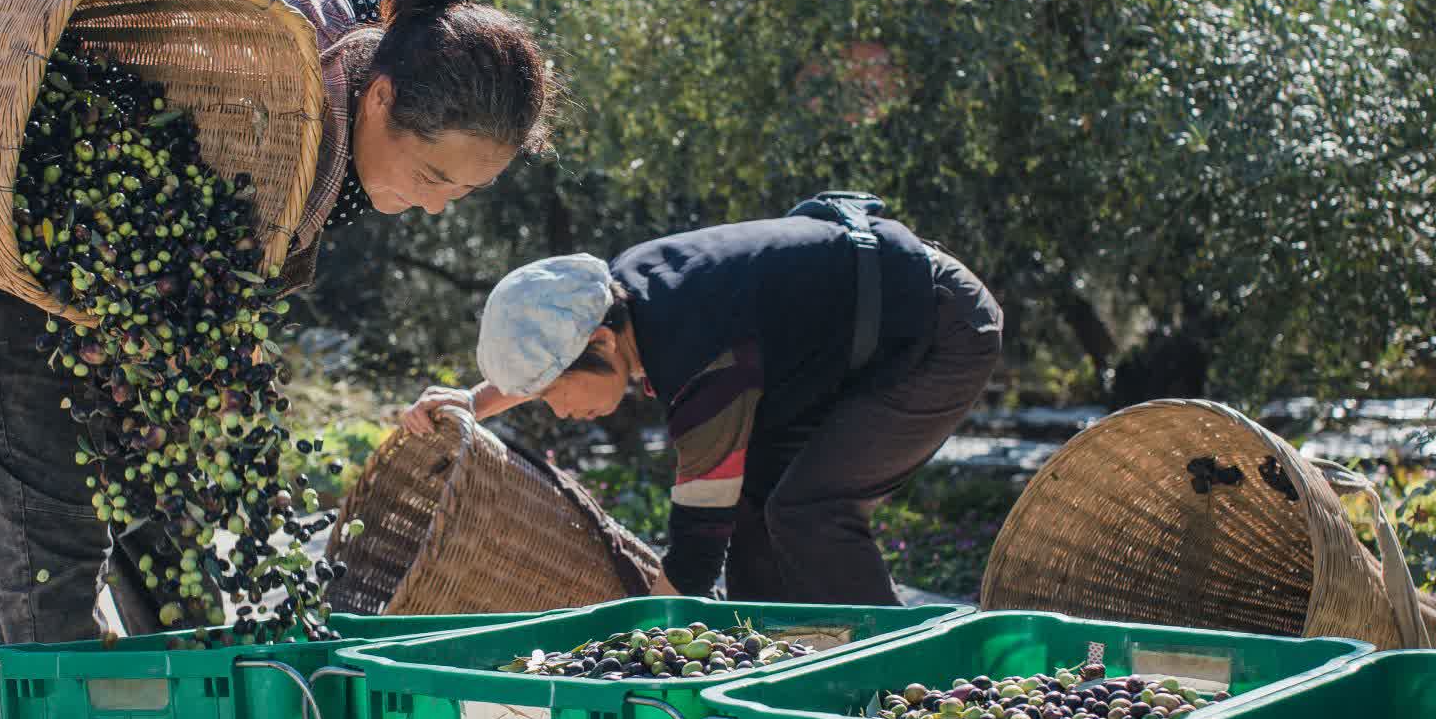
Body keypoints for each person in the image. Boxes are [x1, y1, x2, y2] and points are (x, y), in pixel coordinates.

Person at [0, 0, 557, 644]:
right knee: (53, 558)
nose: (439, 204)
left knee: (174, 551)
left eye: (465, 190)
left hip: (138, 315)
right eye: (434, 176)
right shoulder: (268, 132)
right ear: (379, 99)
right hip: (9, 258)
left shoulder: (386, 38)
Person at [403, 210, 1002, 604]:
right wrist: (475, 402)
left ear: (602, 344)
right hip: (847, 348)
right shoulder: (619, 294)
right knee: (755, 517)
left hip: (938, 329)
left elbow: (697, 537)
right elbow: (555, 355)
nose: (557, 411)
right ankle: (782, 671)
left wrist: (651, 630)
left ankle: (894, 679)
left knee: (808, 511)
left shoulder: (696, 355)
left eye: (554, 393)